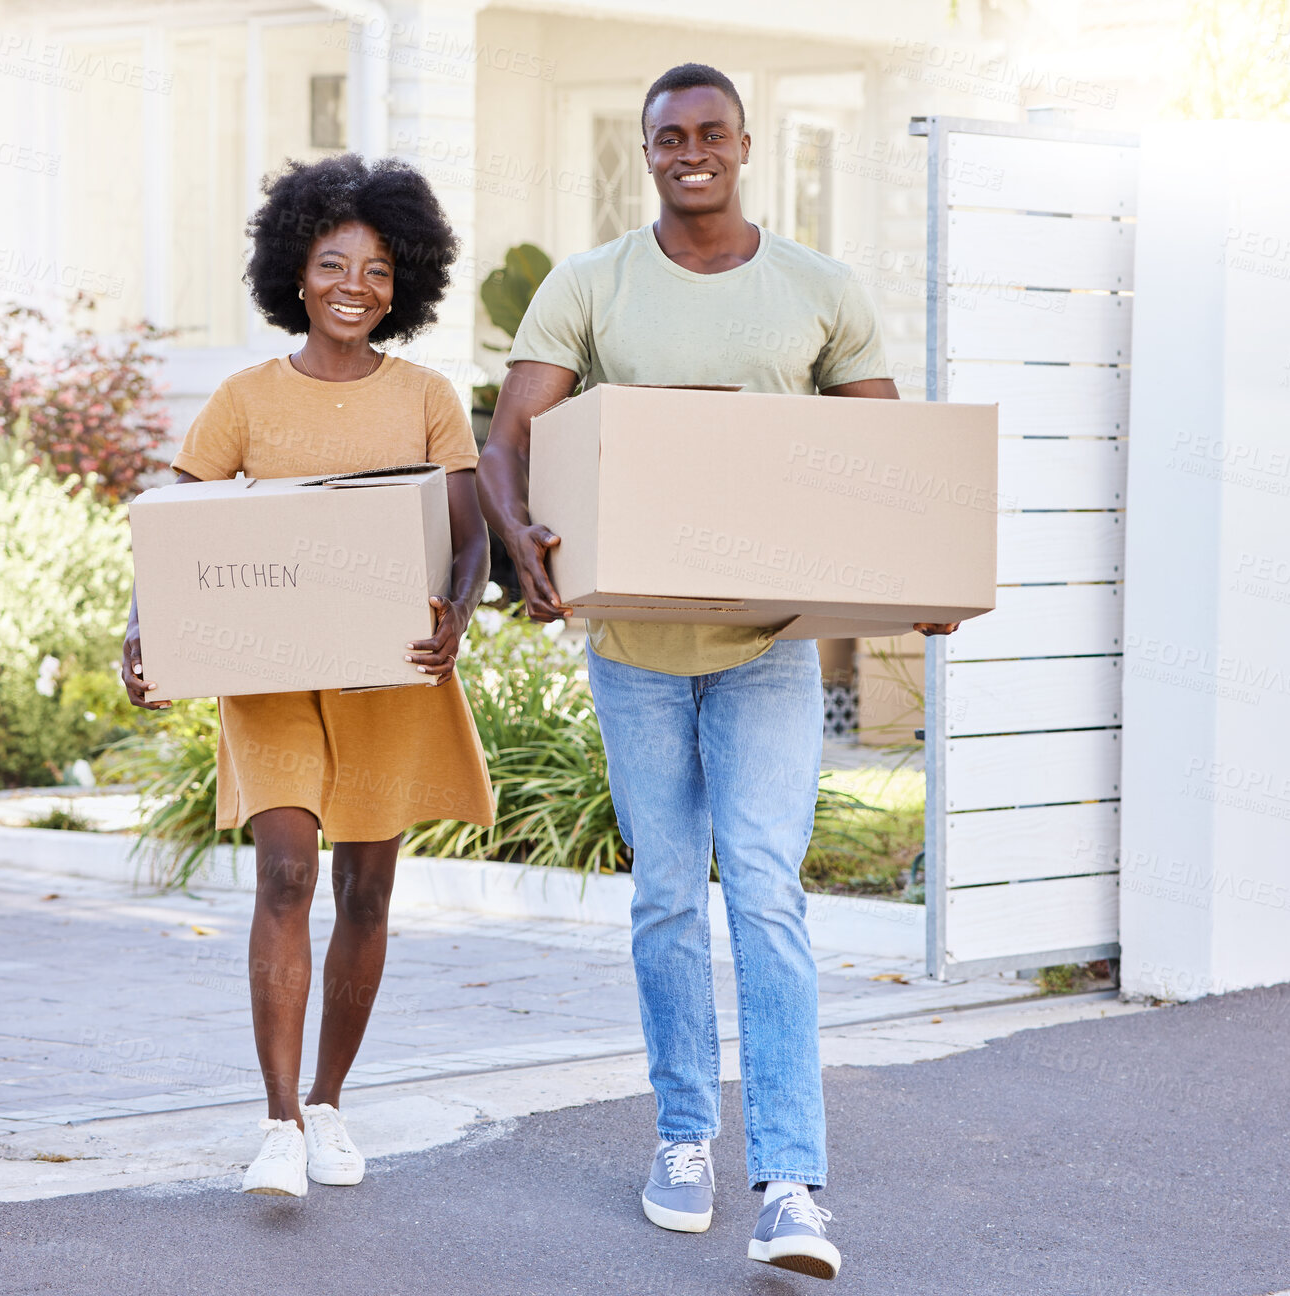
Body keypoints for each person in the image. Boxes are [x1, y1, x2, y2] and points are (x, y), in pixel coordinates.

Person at [478, 63, 957, 1280]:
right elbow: (509, 438)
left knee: (765, 892)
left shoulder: (819, 290)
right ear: (647, 152)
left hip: (766, 653)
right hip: (634, 652)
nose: (690, 151)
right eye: (666, 137)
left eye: (709, 133)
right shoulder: (592, 286)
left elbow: (886, 465)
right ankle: (684, 1137)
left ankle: (791, 1183)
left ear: (745, 145)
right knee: (666, 901)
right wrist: (522, 531)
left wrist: (922, 578)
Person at [121, 154, 494, 1198]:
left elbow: (469, 547)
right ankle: (278, 1120)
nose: (355, 287)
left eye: (379, 271)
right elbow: (175, 540)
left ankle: (329, 1102)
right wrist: (142, 632)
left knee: (365, 892)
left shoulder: (426, 397)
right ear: (296, 271)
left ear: (402, 284)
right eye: (335, 264)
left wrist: (457, 621)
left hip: (390, 676)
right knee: (286, 872)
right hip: (273, 677)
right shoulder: (243, 400)